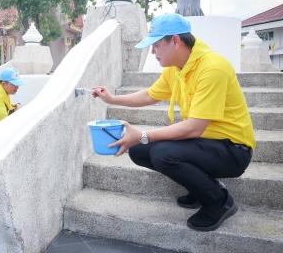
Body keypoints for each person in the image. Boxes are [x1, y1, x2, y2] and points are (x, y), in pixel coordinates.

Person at [92, 13, 255, 232]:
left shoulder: (212, 68)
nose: (153, 52)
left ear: (175, 41)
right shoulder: (175, 67)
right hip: (205, 142)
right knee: (139, 151)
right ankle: (201, 188)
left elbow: (194, 127)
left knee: (163, 153)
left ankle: (219, 201)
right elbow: (150, 95)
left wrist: (142, 134)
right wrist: (112, 99)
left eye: (157, 45)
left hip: (233, 149)